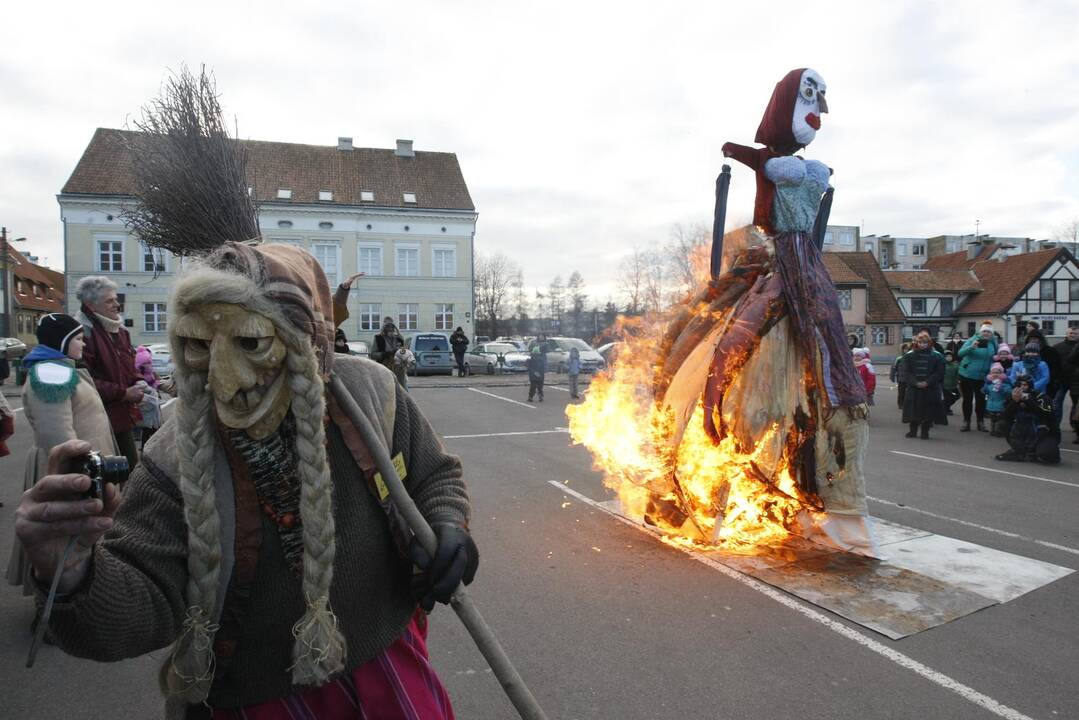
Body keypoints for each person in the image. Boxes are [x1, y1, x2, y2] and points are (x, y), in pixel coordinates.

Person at [15, 242, 476, 718]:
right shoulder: (173, 455)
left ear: (310, 342)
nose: (222, 381)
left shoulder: (371, 392)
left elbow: (434, 475)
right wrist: (72, 574)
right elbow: (139, 605)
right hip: (254, 701)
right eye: (197, 345)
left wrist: (448, 525)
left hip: (388, 668)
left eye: (251, 343)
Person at [7, 313, 120, 603]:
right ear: (63, 341)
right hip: (71, 472)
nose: (83, 345)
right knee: (64, 540)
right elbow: (58, 436)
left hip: (83, 468)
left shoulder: (61, 369)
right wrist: (77, 478)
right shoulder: (51, 374)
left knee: (73, 538)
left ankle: (74, 595)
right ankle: (55, 608)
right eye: (79, 339)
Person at [75, 276, 143, 468]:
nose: (116, 304)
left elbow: (128, 367)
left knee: (130, 469)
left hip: (121, 416)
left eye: (116, 299)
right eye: (109, 301)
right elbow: (84, 381)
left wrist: (139, 381)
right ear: (90, 305)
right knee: (104, 476)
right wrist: (124, 393)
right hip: (95, 420)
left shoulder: (120, 331)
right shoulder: (82, 333)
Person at [995, 376, 1059, 464]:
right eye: (1019, 385)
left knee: (1046, 454)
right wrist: (1015, 402)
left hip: (1044, 431)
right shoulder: (1013, 396)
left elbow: (1046, 415)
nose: (1022, 387)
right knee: (1002, 424)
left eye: (1025, 385)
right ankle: (1019, 449)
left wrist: (1028, 401)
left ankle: (1036, 450)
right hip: (1022, 431)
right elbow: (1004, 416)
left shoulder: (1041, 397)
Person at [898, 332, 947, 439]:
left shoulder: (936, 356)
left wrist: (927, 382)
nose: (922, 345)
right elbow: (906, 372)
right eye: (920, 342)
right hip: (914, 388)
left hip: (930, 388)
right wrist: (915, 382)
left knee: (928, 412)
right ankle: (913, 431)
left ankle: (925, 431)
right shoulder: (909, 356)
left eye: (925, 342)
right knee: (913, 411)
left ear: (929, 343)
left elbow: (939, 372)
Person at [956, 322, 998, 432]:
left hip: (983, 376)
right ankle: (966, 422)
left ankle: (980, 422)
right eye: (984, 331)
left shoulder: (993, 342)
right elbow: (960, 353)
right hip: (967, 374)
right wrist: (971, 347)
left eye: (988, 332)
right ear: (980, 332)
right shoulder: (972, 340)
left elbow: (997, 356)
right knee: (967, 399)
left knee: (981, 401)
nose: (986, 333)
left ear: (991, 333)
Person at [1054, 326, 1079, 432]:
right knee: (1057, 403)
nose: (1072, 335)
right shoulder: (1057, 347)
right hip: (1061, 380)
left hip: (1076, 381)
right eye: (1071, 333)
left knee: (1076, 405)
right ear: (1066, 333)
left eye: (1075, 333)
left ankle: (1075, 426)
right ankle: (1055, 425)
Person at [983, 363, 1013, 436]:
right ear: (990, 374)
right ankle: (992, 430)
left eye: (997, 373)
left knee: (999, 418)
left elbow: (1009, 392)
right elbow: (984, 391)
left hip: (1001, 404)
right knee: (992, 418)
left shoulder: (1005, 383)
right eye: (993, 373)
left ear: (1001, 374)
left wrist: (1002, 388)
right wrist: (986, 386)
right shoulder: (990, 383)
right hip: (991, 404)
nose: (995, 374)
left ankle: (998, 430)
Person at [890, 342, 911, 409]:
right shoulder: (899, 359)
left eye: (907, 349)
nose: (906, 350)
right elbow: (894, 368)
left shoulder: (911, 358)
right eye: (905, 349)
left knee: (908, 392)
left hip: (909, 379)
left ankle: (907, 404)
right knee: (901, 392)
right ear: (902, 350)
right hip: (901, 378)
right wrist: (892, 377)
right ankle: (900, 404)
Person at [941, 350, 960, 415]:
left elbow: (958, 374)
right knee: (947, 398)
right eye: (947, 356)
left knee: (957, 396)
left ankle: (945, 407)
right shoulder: (942, 365)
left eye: (950, 356)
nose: (949, 357)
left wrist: (958, 380)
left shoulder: (955, 365)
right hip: (944, 386)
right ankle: (946, 409)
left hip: (953, 385)